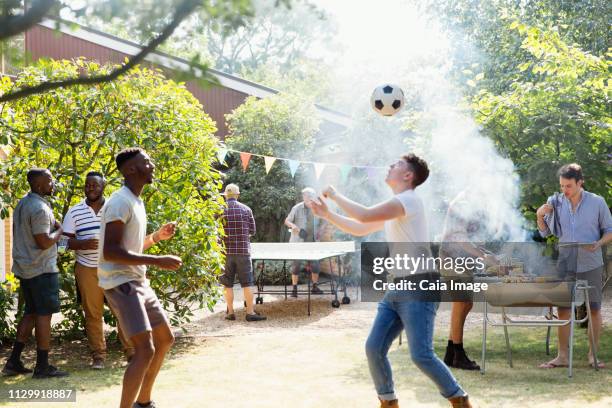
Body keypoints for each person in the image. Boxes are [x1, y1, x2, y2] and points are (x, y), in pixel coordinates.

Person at [309, 154, 472, 408]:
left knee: (421, 356)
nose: (390, 166)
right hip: (398, 287)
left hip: (420, 285)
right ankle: (388, 402)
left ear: (408, 175)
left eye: (396, 165)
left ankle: (459, 400)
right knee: (374, 348)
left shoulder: (409, 200)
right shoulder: (397, 204)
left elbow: (363, 216)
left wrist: (335, 195)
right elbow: (361, 228)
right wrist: (328, 214)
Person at [98, 148, 182, 408]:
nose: (152, 164)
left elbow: (130, 248)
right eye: (146, 161)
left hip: (137, 282)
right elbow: (110, 252)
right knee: (144, 350)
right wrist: (159, 260)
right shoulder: (119, 202)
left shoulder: (136, 201)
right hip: (121, 283)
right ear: (130, 170)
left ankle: (143, 402)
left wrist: (156, 238)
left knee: (165, 338)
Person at [537, 163, 612, 369]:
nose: (564, 191)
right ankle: (562, 357)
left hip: (591, 262)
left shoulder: (597, 202)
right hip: (565, 263)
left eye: (568, 186)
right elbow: (545, 233)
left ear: (580, 183)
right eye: (562, 186)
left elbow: (609, 230)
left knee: (594, 308)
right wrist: (539, 215)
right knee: (563, 310)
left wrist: (598, 243)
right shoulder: (555, 202)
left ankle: (593, 356)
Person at [62, 171, 133, 369]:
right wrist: (82, 243)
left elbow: (129, 236)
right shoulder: (75, 211)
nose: (90, 188)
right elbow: (61, 244)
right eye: (87, 185)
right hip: (86, 269)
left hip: (114, 268)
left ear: (104, 186)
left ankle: (131, 352)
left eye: (94, 185)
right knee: (93, 314)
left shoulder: (115, 207)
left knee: (123, 311)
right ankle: (98, 356)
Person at [2, 168, 68, 378]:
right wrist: (61, 230)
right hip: (41, 269)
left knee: (30, 313)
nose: (53, 183)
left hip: (25, 268)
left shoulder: (24, 203)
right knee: (43, 316)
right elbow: (44, 241)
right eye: (49, 180)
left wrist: (55, 227)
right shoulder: (39, 208)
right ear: (39, 185)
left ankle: (13, 361)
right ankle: (42, 366)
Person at [439, 191, 498, 371]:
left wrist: (484, 254)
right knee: (461, 302)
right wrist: (483, 256)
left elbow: (471, 236)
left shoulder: (476, 203)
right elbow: (459, 239)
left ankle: (450, 353)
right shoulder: (462, 204)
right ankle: (458, 353)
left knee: (466, 304)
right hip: (451, 257)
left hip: (463, 260)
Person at [219, 184, 266, 322]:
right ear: (238, 195)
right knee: (247, 283)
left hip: (225, 253)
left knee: (227, 283)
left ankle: (230, 312)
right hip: (243, 252)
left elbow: (215, 232)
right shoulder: (246, 209)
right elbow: (252, 231)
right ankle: (250, 312)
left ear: (226, 196)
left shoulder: (220, 210)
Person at [284, 187, 323, 297]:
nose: (306, 197)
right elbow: (287, 221)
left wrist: (320, 231)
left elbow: (323, 221)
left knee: (315, 265)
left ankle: (314, 287)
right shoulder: (296, 208)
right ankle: (294, 290)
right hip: (298, 242)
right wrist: (296, 228)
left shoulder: (317, 208)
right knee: (296, 265)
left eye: (309, 196)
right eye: (305, 196)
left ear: (313, 197)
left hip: (313, 242)